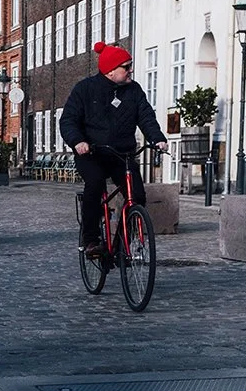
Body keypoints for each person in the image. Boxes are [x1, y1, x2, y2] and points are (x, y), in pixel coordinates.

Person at [60, 41, 168, 256]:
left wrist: (157, 138)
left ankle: (121, 243)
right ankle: (91, 240)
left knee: (136, 195)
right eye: (126, 67)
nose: (131, 70)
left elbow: (146, 117)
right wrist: (78, 141)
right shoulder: (85, 89)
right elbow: (68, 120)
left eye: (131, 65)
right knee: (95, 183)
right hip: (92, 153)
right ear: (110, 71)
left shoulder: (134, 90)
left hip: (122, 153)